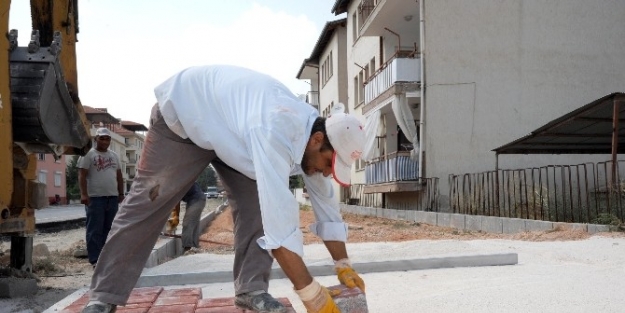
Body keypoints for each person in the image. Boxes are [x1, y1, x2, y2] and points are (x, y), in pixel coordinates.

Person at [81, 65, 366, 313]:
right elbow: (280, 227)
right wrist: (313, 297)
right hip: (184, 118)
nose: (328, 172)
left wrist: (343, 263)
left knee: (255, 208)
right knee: (149, 200)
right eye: (330, 164)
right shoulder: (275, 128)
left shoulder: (314, 140)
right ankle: (103, 296)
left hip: (233, 136)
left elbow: (327, 208)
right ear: (318, 140)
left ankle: (251, 290)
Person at [77, 127, 124, 269]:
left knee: (110, 230)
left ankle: (107, 258)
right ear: (96, 139)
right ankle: (95, 259)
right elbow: (82, 175)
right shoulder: (88, 155)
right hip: (95, 198)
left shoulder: (114, 156)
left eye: (107, 138)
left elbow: (119, 176)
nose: (105, 141)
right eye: (102, 138)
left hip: (112, 198)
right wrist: (84, 194)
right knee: (94, 230)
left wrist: (121, 193)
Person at [179, 182, 206, 250]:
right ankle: (194, 246)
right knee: (193, 224)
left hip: (197, 199)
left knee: (187, 223)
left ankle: (188, 247)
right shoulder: (180, 178)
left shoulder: (180, 180)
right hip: (193, 200)